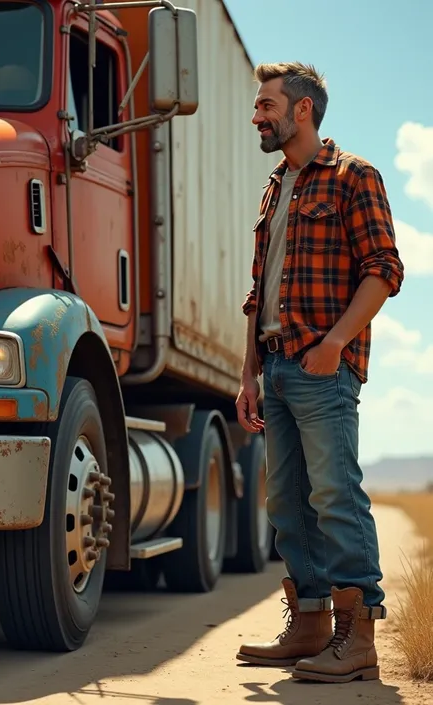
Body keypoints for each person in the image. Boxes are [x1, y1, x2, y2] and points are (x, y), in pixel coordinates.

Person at [235, 62, 404, 684]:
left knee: (334, 496)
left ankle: (357, 639)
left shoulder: (354, 176)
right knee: (285, 503)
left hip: (322, 367)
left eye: (266, 104)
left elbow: (384, 268)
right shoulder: (276, 186)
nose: (258, 114)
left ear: (301, 110)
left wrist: (335, 343)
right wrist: (248, 373)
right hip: (275, 367)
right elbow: (259, 294)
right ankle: (308, 622)